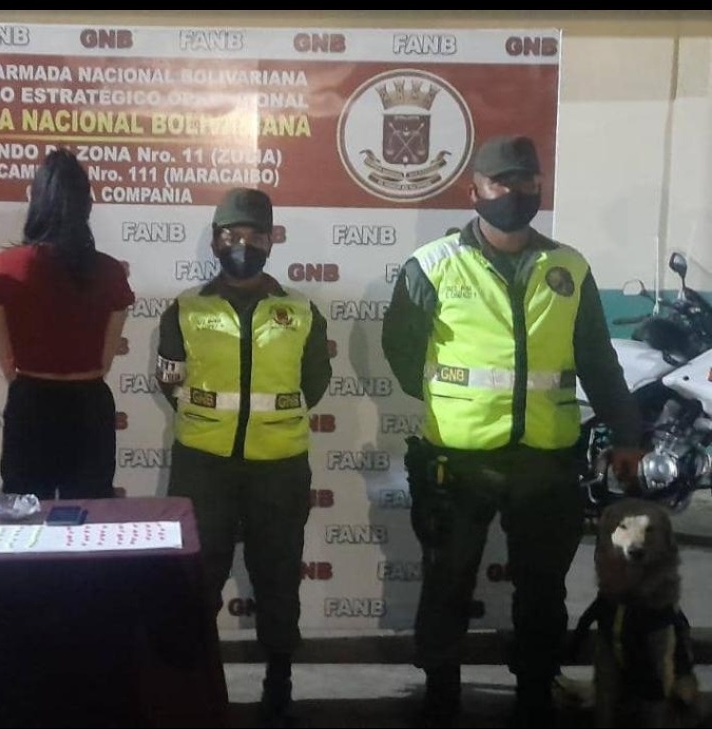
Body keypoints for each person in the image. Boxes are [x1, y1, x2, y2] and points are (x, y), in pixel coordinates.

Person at [381, 135, 644, 728]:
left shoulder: (569, 268)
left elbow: (597, 360)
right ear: (474, 190)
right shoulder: (432, 265)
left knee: (543, 590)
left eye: (526, 181)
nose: (514, 192)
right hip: (458, 460)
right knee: (447, 583)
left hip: (545, 460)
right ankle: (441, 693)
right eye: (501, 182)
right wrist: (454, 404)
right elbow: (401, 350)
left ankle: (534, 692)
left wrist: (627, 434)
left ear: (539, 188)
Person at [155, 188, 332, 728]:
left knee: (277, 575)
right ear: (215, 241)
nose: (243, 245)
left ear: (272, 241)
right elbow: (169, 378)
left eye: (256, 235)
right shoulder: (186, 307)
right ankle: (192, 684)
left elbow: (314, 383)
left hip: (279, 465)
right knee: (196, 579)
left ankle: (279, 682)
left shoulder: (300, 310)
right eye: (232, 235)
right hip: (203, 464)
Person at [0, 147, 134, 500]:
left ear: (35, 200)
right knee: (90, 516)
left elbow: (0, 358)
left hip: (31, 402)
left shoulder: (6, 268)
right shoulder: (110, 272)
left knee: (26, 513)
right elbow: (105, 360)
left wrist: (27, 384)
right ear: (86, 205)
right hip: (89, 403)